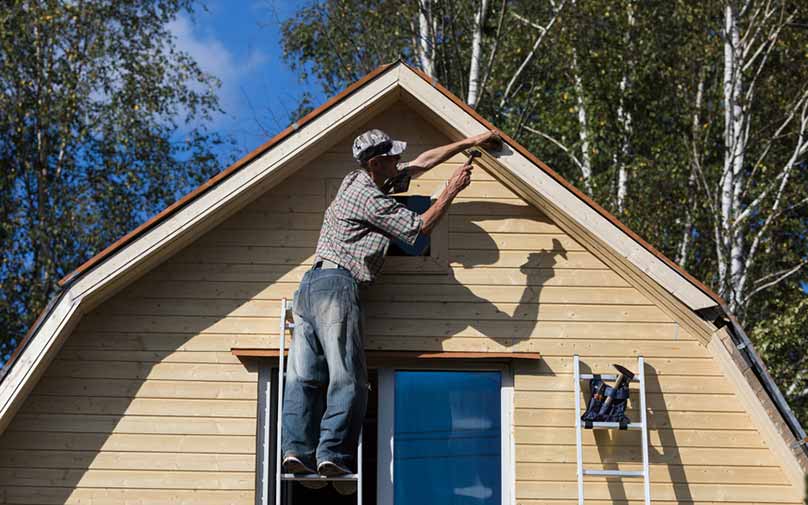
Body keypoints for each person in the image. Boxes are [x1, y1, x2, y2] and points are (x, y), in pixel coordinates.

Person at [281, 128, 501, 480]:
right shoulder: (371, 200)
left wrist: (468, 143)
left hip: (309, 287)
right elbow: (419, 227)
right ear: (377, 163)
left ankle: (295, 450)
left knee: (304, 377)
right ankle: (332, 454)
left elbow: (419, 164)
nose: (399, 160)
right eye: (392, 157)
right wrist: (451, 191)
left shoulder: (354, 180)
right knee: (348, 377)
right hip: (337, 286)